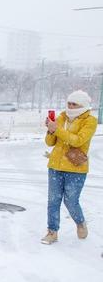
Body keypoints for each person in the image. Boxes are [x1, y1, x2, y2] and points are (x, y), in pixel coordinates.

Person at [42, 90, 98, 244]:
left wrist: (57, 129)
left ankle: (80, 222)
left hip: (76, 168)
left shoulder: (90, 121)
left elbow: (77, 141)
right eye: (69, 103)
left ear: (83, 105)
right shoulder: (61, 117)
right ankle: (52, 232)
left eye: (75, 104)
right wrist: (50, 130)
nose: (71, 106)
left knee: (71, 201)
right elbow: (50, 142)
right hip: (55, 166)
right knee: (53, 201)